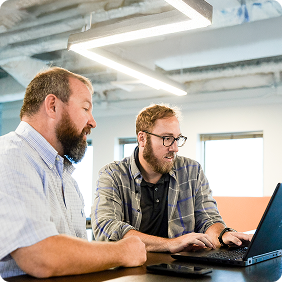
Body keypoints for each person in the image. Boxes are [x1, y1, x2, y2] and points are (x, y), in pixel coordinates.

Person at [0, 67, 146, 279]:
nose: (93, 122)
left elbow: (74, 259)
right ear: (52, 106)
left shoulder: (66, 179)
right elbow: (40, 256)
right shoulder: (10, 156)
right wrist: (124, 251)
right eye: (85, 108)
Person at [92, 104, 252, 253]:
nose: (174, 148)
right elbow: (106, 227)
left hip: (180, 269)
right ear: (142, 139)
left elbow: (207, 217)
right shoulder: (113, 174)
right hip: (132, 272)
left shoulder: (191, 171)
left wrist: (222, 236)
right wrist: (171, 244)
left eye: (177, 139)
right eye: (167, 138)